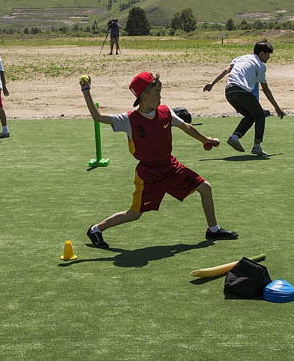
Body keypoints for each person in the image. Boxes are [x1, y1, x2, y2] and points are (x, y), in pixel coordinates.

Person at [81, 72, 238, 249]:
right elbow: (98, 117)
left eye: (160, 91)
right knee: (134, 214)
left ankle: (213, 230)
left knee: (205, 187)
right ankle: (96, 229)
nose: (159, 96)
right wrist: (86, 91)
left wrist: (205, 140)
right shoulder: (128, 120)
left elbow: (185, 126)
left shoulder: (165, 112)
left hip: (170, 167)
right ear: (143, 95)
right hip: (148, 174)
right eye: (156, 92)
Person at [203, 40, 285, 156]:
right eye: (268, 54)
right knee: (260, 115)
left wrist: (212, 83)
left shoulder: (240, 58)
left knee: (250, 115)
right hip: (242, 91)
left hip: (229, 91)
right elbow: (266, 90)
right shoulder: (261, 66)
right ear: (262, 53)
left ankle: (235, 137)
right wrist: (277, 108)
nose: (269, 57)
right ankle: (256, 146)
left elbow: (226, 70)